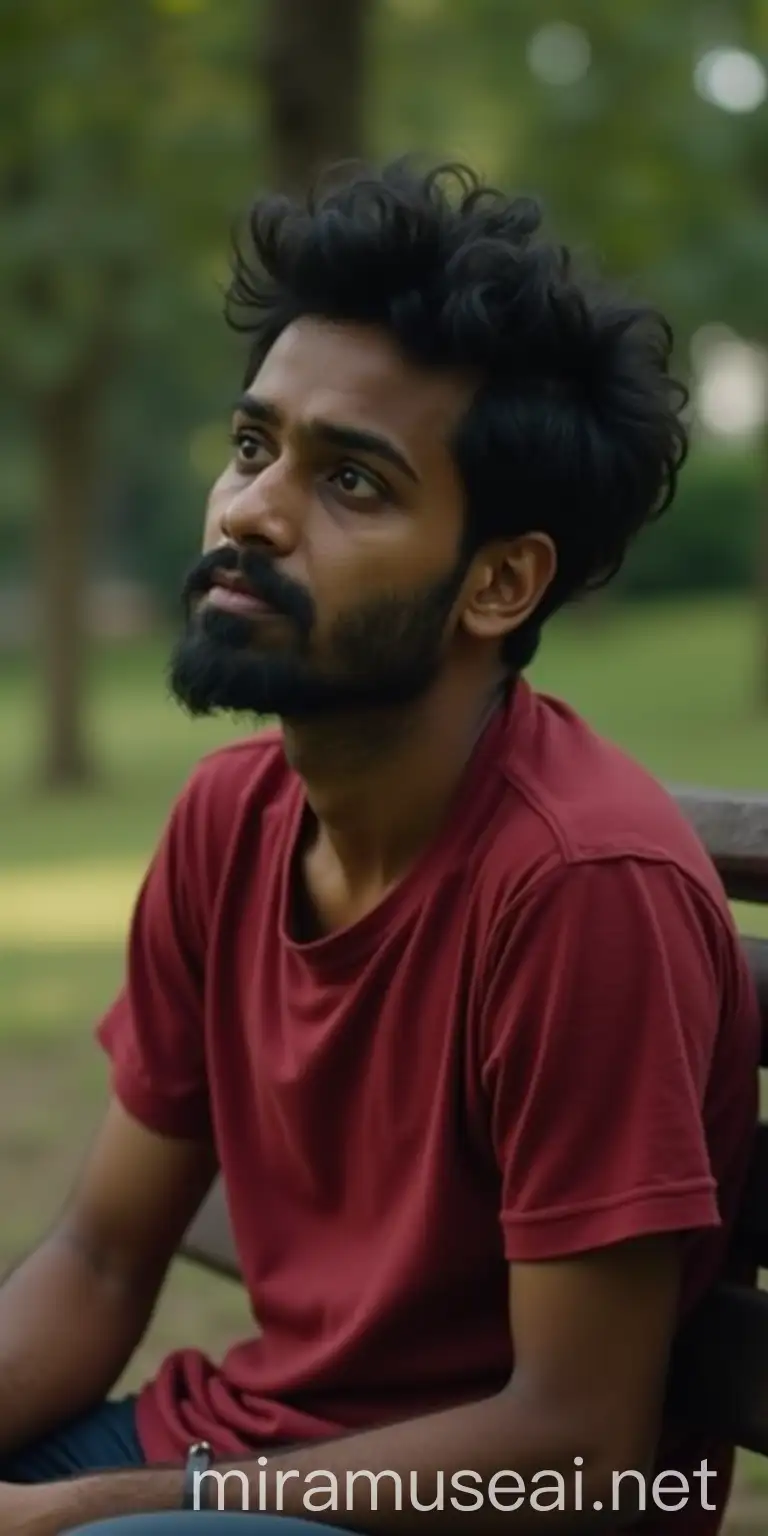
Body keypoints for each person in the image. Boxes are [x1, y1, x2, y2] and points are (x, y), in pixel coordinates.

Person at [0, 156, 760, 1536]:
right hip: (224, 1467)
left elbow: (583, 1448)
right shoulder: (227, 822)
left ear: (501, 581)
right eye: (252, 448)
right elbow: (105, 1256)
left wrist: (93, 1511)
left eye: (351, 481)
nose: (251, 515)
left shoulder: (579, 893)